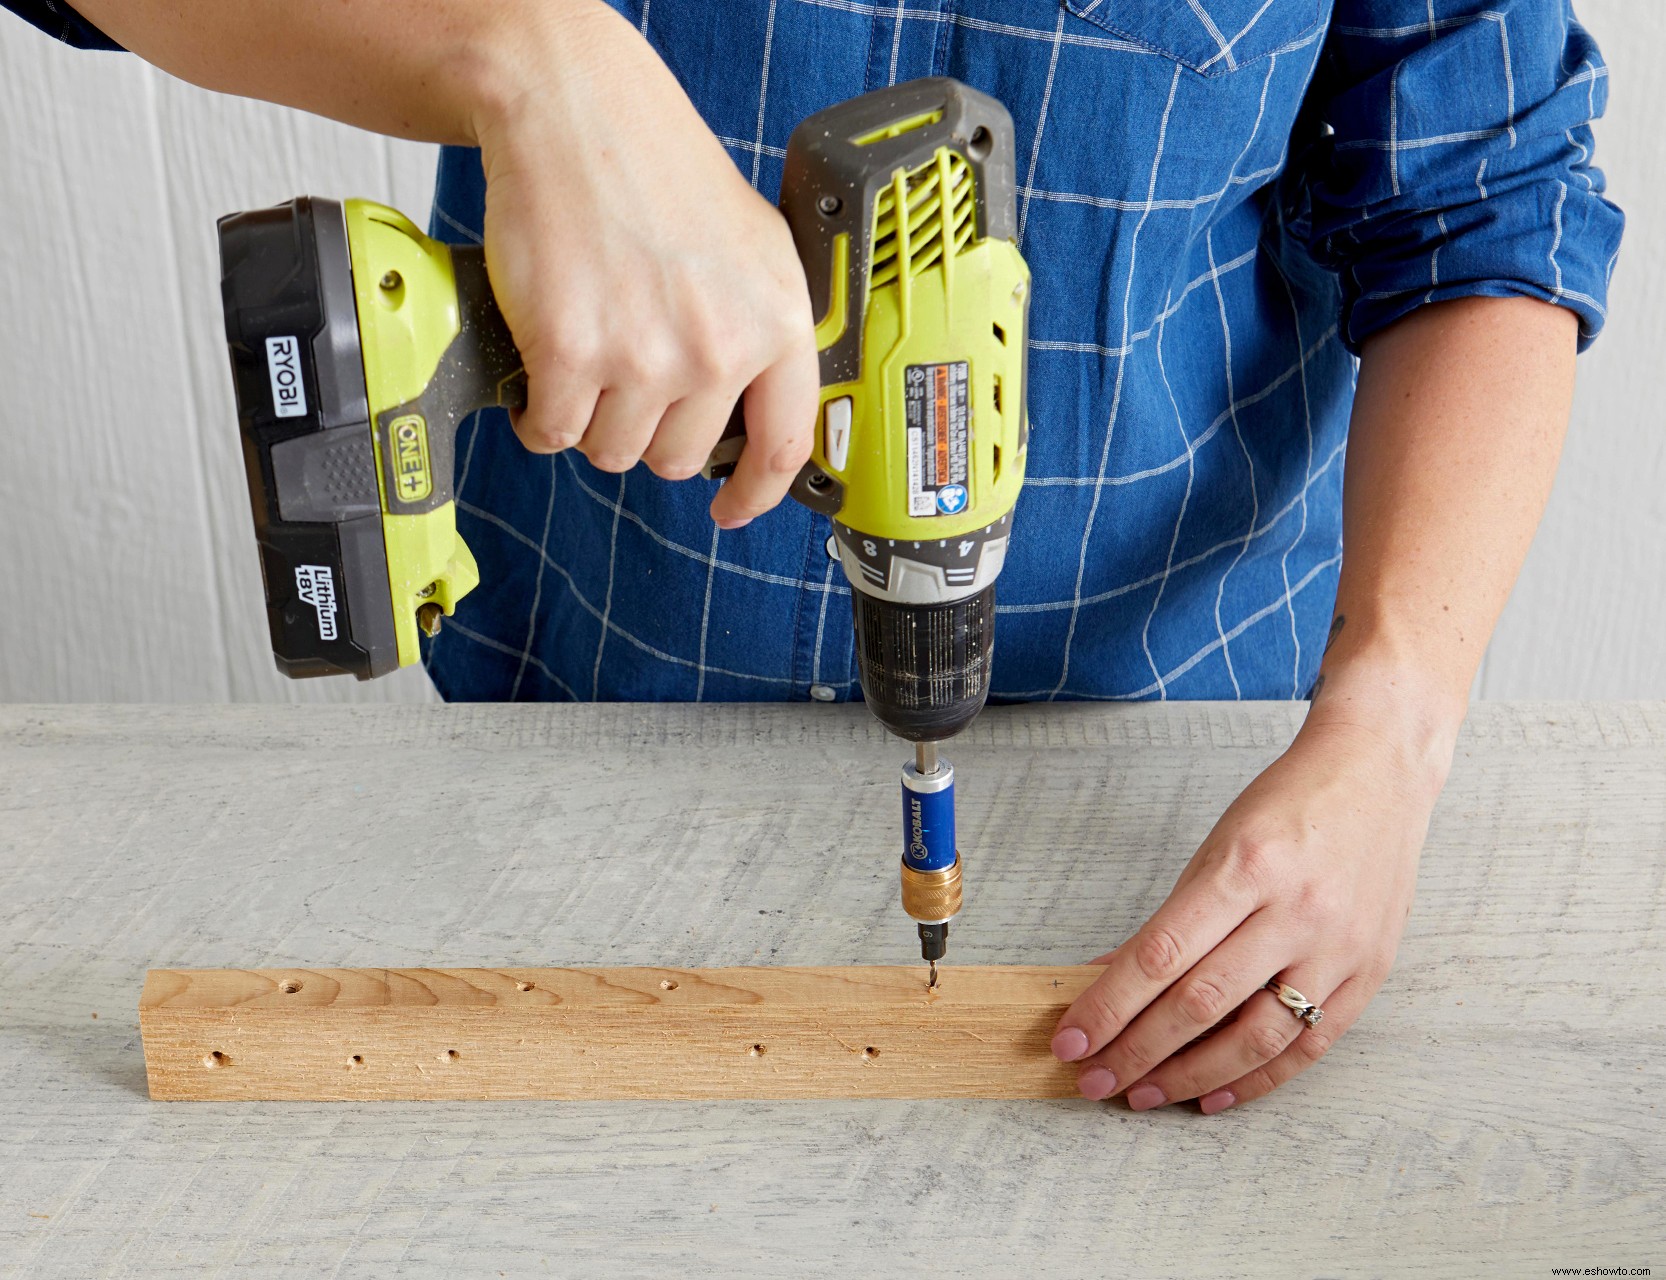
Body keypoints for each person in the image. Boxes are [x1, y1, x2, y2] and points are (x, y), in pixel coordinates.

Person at [5, 0, 1622, 1114]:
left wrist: (1389, 736)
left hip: (1172, 798)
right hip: (577, 754)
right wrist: (523, 51)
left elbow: (1487, 207)